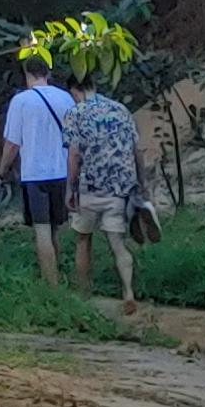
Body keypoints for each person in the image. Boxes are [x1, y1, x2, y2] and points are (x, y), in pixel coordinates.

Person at [66, 75, 146, 306]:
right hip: (119, 189)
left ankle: (84, 294)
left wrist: (69, 189)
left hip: (90, 189)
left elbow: (73, 155)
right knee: (118, 244)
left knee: (83, 240)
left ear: (75, 90)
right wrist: (142, 183)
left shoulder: (76, 113)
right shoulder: (120, 110)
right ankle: (128, 292)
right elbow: (136, 150)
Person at [1, 51, 75, 286]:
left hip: (34, 174)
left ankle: (50, 286)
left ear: (27, 74)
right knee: (56, 229)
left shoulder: (21, 101)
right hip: (62, 172)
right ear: (48, 73)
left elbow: (12, 143)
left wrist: (2, 170)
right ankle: (60, 277)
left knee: (41, 231)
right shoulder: (65, 98)